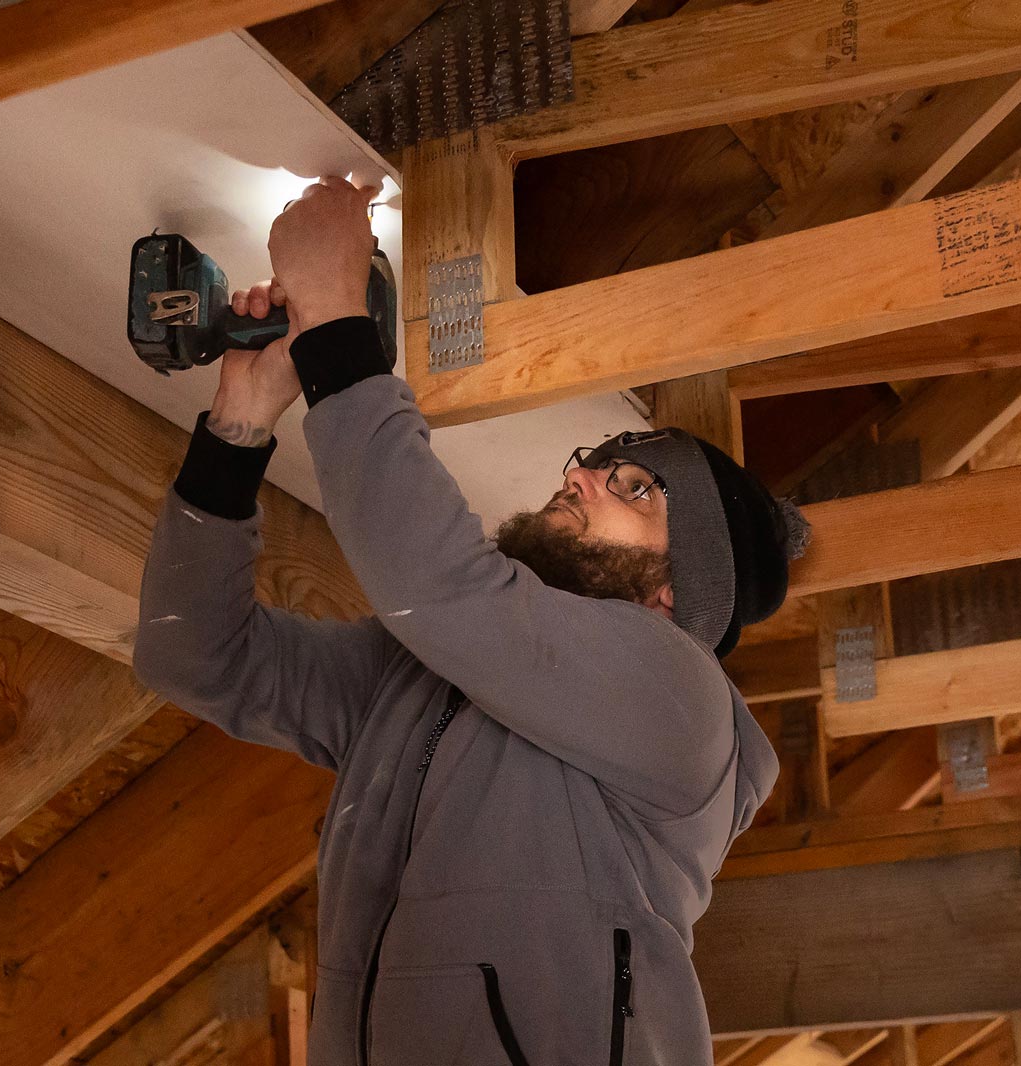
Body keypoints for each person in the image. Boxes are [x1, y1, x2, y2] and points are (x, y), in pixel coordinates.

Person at [133, 176, 811, 1066]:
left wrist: (339, 320)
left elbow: (445, 589)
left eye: (636, 489)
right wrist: (240, 423)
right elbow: (196, 657)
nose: (581, 480)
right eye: (593, 463)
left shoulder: (679, 698)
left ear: (675, 594)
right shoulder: (424, 672)